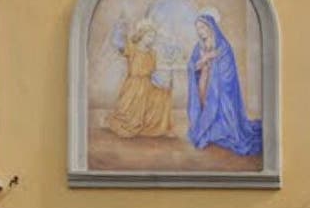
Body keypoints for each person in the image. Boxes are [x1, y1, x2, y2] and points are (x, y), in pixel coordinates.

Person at [185, 10, 262, 156]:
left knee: (216, 106)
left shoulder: (223, 46)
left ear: (210, 27)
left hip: (219, 88)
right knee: (203, 104)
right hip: (204, 81)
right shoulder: (198, 46)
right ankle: (207, 130)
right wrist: (203, 61)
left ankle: (217, 132)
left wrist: (213, 64)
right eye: (198, 29)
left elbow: (228, 71)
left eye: (202, 27)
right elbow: (193, 66)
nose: (200, 32)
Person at [105, 18, 175, 138]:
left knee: (165, 92)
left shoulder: (152, 53)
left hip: (148, 84)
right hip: (134, 86)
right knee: (130, 117)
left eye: (153, 37)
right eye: (149, 36)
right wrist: (120, 29)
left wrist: (162, 82)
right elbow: (119, 44)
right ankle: (129, 122)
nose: (151, 40)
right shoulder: (132, 48)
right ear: (142, 35)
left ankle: (157, 125)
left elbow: (153, 72)